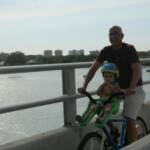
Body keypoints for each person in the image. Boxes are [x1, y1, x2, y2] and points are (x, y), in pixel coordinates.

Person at [78, 25, 145, 144]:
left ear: (122, 36)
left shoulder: (129, 49)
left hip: (133, 88)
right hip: (116, 88)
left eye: (115, 34)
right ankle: (113, 130)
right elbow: (93, 69)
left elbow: (136, 70)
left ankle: (134, 147)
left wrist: (131, 88)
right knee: (100, 106)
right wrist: (84, 86)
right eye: (110, 34)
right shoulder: (106, 50)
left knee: (129, 119)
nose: (112, 36)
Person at [76, 63, 121, 127]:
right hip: (102, 102)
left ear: (115, 76)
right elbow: (98, 93)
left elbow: (119, 94)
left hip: (113, 104)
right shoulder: (104, 84)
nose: (108, 78)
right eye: (106, 76)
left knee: (108, 107)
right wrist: (102, 85)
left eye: (110, 76)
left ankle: (101, 120)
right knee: (93, 105)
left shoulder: (116, 85)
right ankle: (84, 119)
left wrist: (111, 87)